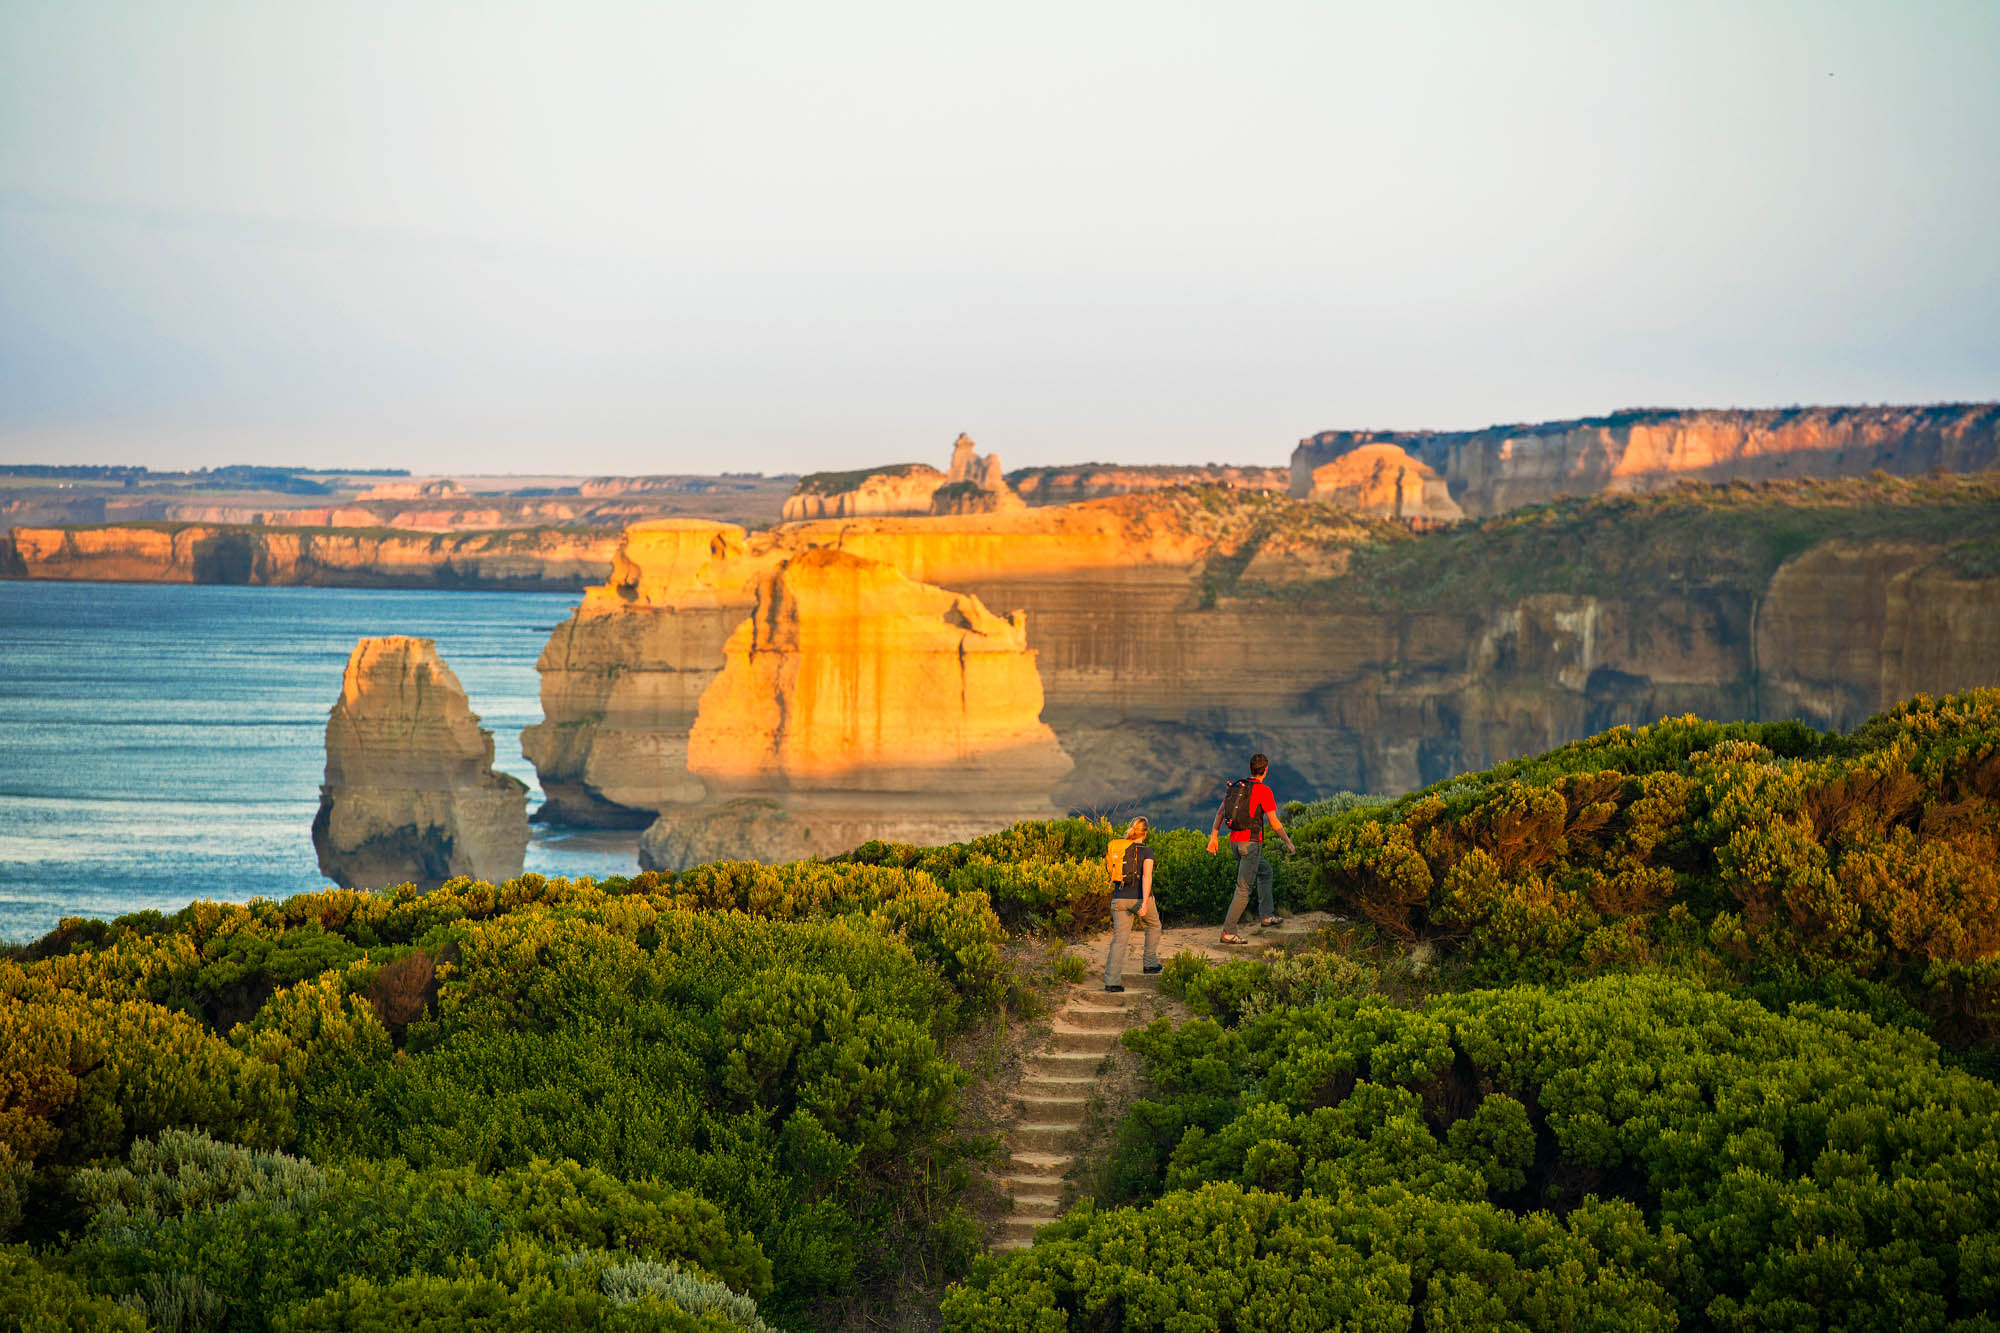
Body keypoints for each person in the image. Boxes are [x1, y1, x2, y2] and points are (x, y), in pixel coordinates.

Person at [1209, 753, 1294, 944]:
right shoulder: (1263, 791)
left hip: (1234, 844)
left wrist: (1213, 838)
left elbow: (1220, 812)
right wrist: (1288, 841)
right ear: (1265, 770)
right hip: (1250, 845)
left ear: (1250, 768)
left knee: (1265, 871)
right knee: (1243, 890)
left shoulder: (1238, 787)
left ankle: (1266, 916)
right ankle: (1228, 932)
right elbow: (1274, 822)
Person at [1104, 816, 1160, 992]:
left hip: (1119, 898)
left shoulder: (1118, 848)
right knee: (1154, 925)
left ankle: (1112, 982)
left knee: (1119, 940)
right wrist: (1144, 903)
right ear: (1145, 833)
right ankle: (1149, 963)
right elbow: (1146, 877)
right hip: (1139, 898)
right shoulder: (1147, 851)